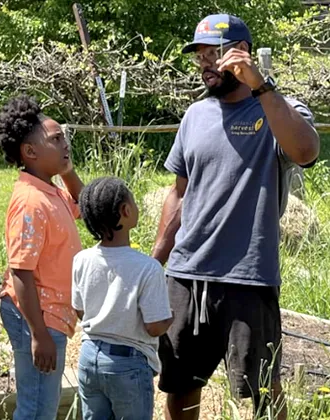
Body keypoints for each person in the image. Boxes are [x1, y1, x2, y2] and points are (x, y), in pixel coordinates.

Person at [152, 14, 320, 420]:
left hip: (248, 277)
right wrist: (153, 260)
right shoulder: (195, 116)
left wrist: (261, 85)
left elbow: (306, 151)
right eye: (201, 56)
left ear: (240, 52)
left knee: (263, 391)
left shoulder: (280, 108)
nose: (207, 63)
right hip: (187, 275)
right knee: (179, 386)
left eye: (216, 53)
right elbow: (179, 194)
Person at [0, 95, 84, 419]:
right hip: (37, 316)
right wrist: (38, 334)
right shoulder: (31, 201)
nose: (65, 144)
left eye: (64, 138)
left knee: (41, 406)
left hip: (50, 314)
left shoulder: (51, 189)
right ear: (30, 152)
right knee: (36, 410)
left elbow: (83, 206)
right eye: (56, 139)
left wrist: (68, 170)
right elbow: (21, 273)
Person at [74, 177, 173, 420]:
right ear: (126, 210)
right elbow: (154, 327)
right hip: (128, 364)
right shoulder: (148, 268)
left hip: (88, 357)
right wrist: (170, 317)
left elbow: (80, 311)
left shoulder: (81, 259)